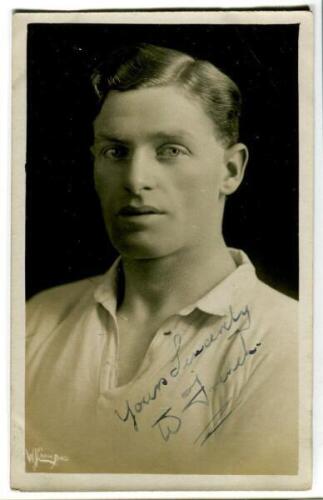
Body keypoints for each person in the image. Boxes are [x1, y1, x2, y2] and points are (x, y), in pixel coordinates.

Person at [26, 44, 298, 475]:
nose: (136, 180)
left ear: (231, 170)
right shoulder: (35, 320)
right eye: (116, 151)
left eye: (170, 150)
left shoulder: (294, 342)